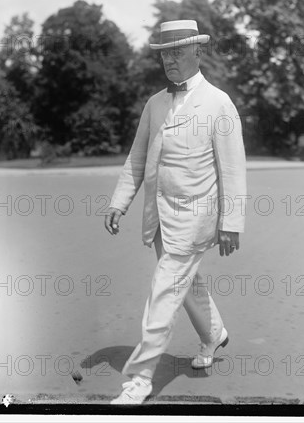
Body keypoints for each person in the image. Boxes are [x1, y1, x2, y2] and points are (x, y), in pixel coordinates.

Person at [105, 20, 247, 404]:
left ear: (198, 52)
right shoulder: (154, 103)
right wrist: (120, 201)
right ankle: (214, 333)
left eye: (178, 51)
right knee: (187, 286)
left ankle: (138, 381)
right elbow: (136, 158)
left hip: (196, 217)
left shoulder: (218, 102)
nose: (169, 59)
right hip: (159, 218)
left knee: (164, 292)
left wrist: (231, 222)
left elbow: (232, 169)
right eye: (165, 52)